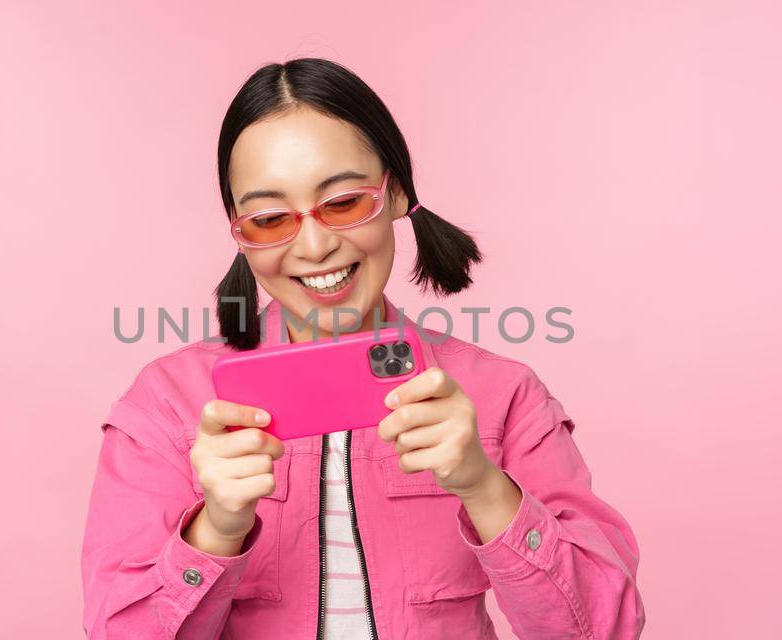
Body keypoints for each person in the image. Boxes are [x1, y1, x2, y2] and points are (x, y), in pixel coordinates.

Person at [82, 58, 644, 639]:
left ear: (396, 193)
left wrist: (483, 485)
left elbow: (606, 627)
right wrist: (215, 530)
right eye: (271, 218)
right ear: (240, 231)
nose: (317, 245)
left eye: (344, 202)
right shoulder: (168, 404)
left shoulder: (502, 395)